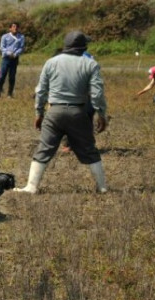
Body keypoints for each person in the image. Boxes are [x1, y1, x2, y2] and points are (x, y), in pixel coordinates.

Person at [16, 31, 108, 195]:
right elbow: (97, 94)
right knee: (89, 149)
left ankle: (31, 186)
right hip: (78, 113)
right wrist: (101, 114)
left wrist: (39, 113)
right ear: (83, 47)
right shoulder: (90, 64)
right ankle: (101, 187)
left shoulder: (50, 62)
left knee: (43, 149)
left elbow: (41, 91)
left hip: (54, 112)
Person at [0, 22, 25, 97]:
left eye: (16, 27)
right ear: (10, 28)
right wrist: (9, 53)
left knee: (12, 76)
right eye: (13, 26)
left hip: (14, 58)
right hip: (6, 58)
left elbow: (21, 48)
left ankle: (10, 93)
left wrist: (15, 54)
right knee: (2, 75)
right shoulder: (5, 37)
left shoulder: (21, 37)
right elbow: (2, 47)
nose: (15, 28)